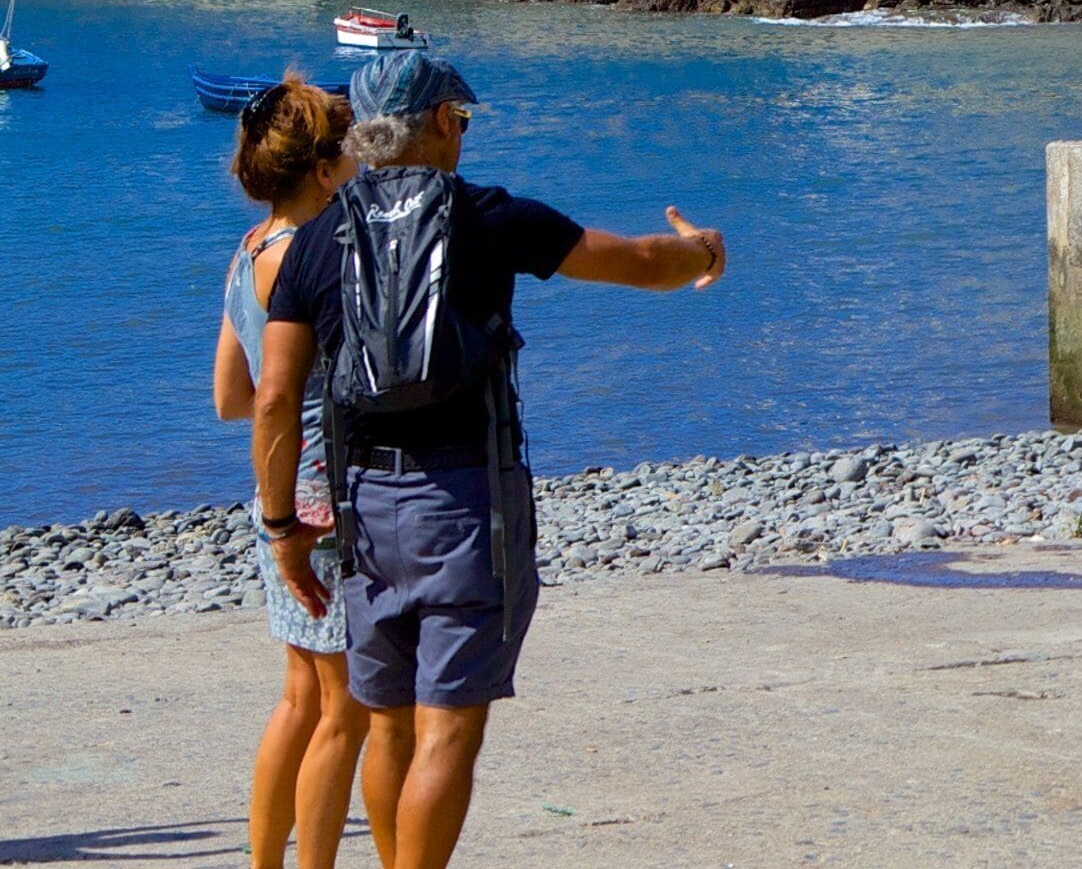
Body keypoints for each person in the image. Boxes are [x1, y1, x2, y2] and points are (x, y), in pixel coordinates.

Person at [246, 52, 728, 869]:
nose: (462, 136)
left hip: (362, 506)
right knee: (449, 730)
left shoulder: (312, 244)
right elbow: (641, 265)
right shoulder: (489, 217)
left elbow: (273, 401)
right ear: (439, 123)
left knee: (388, 721)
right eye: (460, 121)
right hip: (466, 504)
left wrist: (282, 526)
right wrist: (704, 252)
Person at [211, 79, 366, 869]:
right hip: (322, 500)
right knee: (346, 710)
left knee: (299, 698)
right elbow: (268, 397)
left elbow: (230, 398)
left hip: (274, 493)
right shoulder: (315, 257)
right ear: (322, 169)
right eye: (348, 150)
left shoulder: (249, 252)